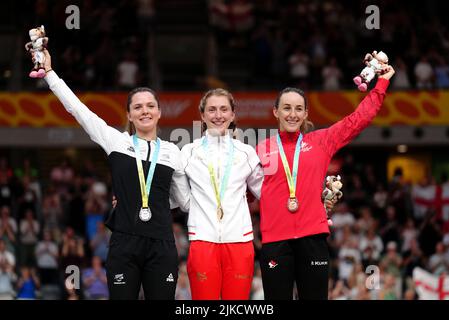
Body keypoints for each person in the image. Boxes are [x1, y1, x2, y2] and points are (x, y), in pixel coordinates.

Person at [34, 49, 190, 300]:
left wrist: (142, 199)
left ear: (160, 112)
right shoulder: (116, 142)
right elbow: (78, 110)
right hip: (124, 245)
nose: (145, 111)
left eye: (151, 106)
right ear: (129, 114)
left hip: (162, 245)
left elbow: (183, 201)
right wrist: (50, 74)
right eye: (137, 107)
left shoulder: (174, 152)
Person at [256, 64, 395, 300]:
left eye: (299, 108)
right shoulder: (260, 149)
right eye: (287, 108)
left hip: (313, 239)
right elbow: (247, 191)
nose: (293, 114)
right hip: (275, 242)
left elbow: (358, 119)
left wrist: (382, 83)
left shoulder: (322, 141)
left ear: (306, 114)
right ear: (275, 112)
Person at [180, 88, 263, 300]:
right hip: (202, 240)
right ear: (202, 115)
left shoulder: (247, 153)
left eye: (224, 109)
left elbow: (267, 192)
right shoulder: (188, 151)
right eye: (212, 110)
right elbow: (176, 194)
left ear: (233, 114)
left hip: (240, 242)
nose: (218, 115)